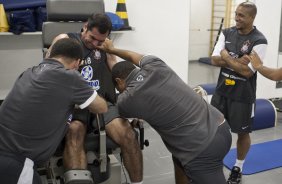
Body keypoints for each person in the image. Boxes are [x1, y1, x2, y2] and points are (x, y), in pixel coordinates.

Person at [96, 38, 232, 184]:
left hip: (201, 148)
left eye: (118, 88)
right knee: (178, 157)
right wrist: (112, 50)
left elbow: (111, 107)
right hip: (221, 126)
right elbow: (131, 55)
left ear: (119, 81)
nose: (120, 91)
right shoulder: (154, 64)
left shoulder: (126, 100)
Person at [48, 13, 143, 183]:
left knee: (128, 134)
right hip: (75, 104)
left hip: (102, 102)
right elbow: (47, 70)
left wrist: (133, 103)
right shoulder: (66, 40)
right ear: (85, 27)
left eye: (99, 41)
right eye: (91, 38)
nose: (94, 44)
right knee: (74, 132)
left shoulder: (105, 46)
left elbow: (118, 73)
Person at [0, 38, 108, 184]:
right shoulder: (70, 77)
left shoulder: (28, 72)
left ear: (50, 55)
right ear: (77, 63)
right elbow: (101, 107)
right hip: (15, 163)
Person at [210, 2, 267, 184]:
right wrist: (237, 61)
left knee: (242, 133)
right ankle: (212, 161)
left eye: (242, 15)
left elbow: (247, 72)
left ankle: (238, 167)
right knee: (214, 129)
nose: (236, 18)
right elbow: (213, 60)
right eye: (236, 14)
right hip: (221, 92)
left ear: (252, 18)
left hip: (243, 96)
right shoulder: (227, 32)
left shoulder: (259, 41)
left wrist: (226, 56)